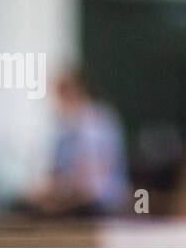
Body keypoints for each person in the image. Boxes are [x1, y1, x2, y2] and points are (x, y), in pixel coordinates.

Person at [24, 67, 129, 218]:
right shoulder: (65, 131)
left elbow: (91, 186)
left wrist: (59, 195)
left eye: (59, 96)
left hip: (102, 207)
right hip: (75, 201)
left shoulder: (98, 123)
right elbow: (55, 174)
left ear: (73, 93)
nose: (56, 103)